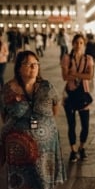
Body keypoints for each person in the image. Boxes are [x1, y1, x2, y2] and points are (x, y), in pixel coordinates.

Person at [0, 50, 66, 189]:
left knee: (42, 183)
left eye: (36, 64)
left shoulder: (46, 87)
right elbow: (4, 116)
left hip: (45, 150)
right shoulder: (8, 89)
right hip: (18, 150)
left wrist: (45, 125)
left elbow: (55, 107)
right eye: (29, 64)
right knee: (21, 183)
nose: (34, 67)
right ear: (19, 67)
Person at [61, 34, 94, 162]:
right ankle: (73, 150)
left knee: (85, 125)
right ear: (73, 44)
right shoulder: (66, 58)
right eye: (76, 42)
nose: (78, 45)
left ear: (84, 44)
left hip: (83, 94)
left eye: (81, 43)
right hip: (69, 95)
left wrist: (73, 74)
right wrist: (82, 74)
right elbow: (64, 77)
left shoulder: (88, 58)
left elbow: (90, 76)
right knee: (71, 124)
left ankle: (82, 147)